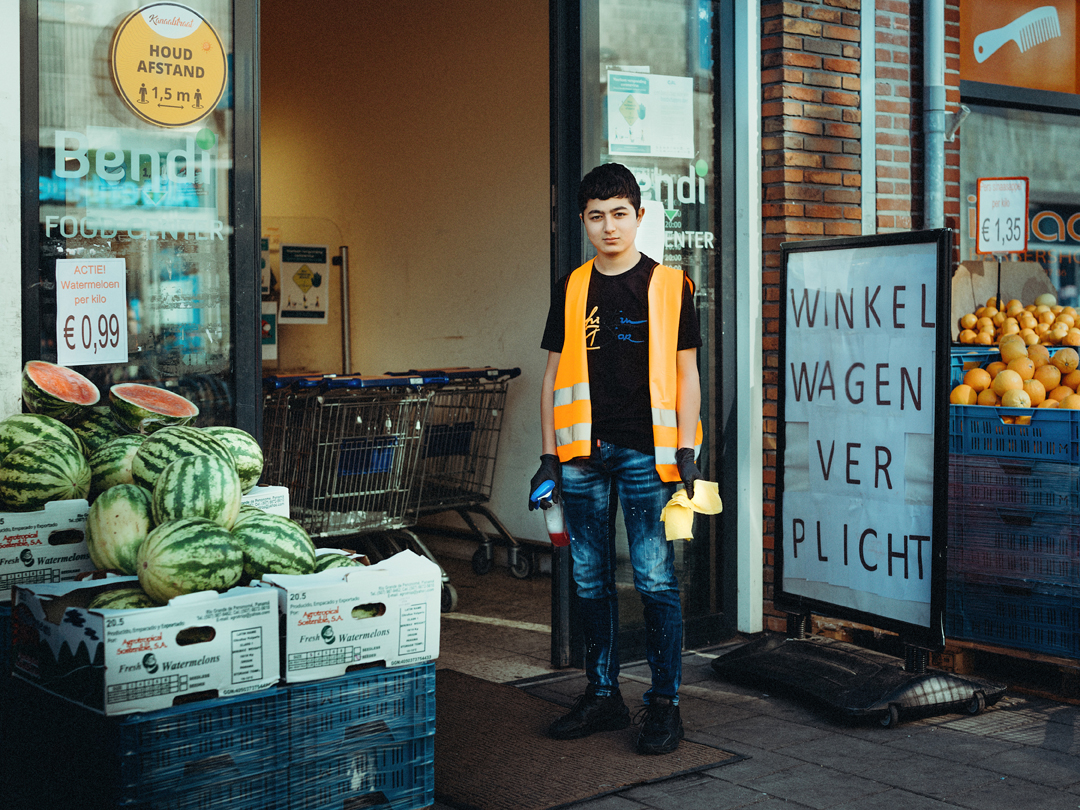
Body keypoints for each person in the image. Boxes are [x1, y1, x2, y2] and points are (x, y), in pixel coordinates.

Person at [532, 162, 703, 755]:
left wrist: (686, 447)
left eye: (620, 215)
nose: (609, 227)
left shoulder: (669, 285)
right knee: (588, 578)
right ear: (583, 221)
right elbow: (553, 375)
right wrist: (548, 456)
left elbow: (687, 373)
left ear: (639, 216)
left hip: (646, 456)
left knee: (655, 579)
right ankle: (603, 695)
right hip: (580, 457)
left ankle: (665, 705)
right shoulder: (572, 287)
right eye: (597, 217)